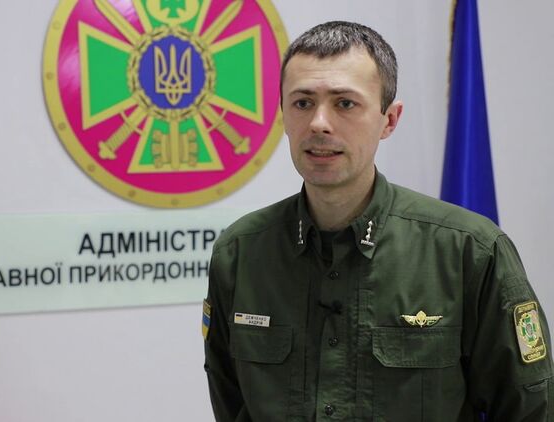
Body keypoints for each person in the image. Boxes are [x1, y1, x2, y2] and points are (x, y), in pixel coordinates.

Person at [202, 21, 553, 421]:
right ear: (283, 114)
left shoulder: (469, 251)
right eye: (302, 103)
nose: (318, 123)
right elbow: (232, 403)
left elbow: (530, 409)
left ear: (390, 120)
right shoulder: (241, 253)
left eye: (344, 103)